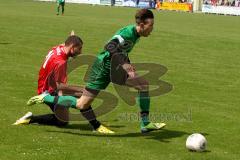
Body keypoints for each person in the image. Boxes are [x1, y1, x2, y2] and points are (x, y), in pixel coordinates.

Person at [27, 9, 166, 134]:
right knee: (82, 104)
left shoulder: (136, 35)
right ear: (142, 25)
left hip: (115, 68)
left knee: (143, 86)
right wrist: (127, 67)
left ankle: (145, 124)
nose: (152, 29)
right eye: (150, 26)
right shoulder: (128, 32)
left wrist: (128, 64)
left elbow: (121, 51)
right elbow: (111, 46)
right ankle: (46, 97)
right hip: (103, 68)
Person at [14, 33, 105, 132]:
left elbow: (66, 43)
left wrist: (72, 36)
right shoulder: (60, 62)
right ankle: (96, 126)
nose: (80, 52)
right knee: (81, 97)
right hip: (48, 92)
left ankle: (96, 125)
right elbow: (60, 86)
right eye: (79, 49)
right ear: (72, 47)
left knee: (63, 119)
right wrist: (82, 89)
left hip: (45, 86)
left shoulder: (59, 48)